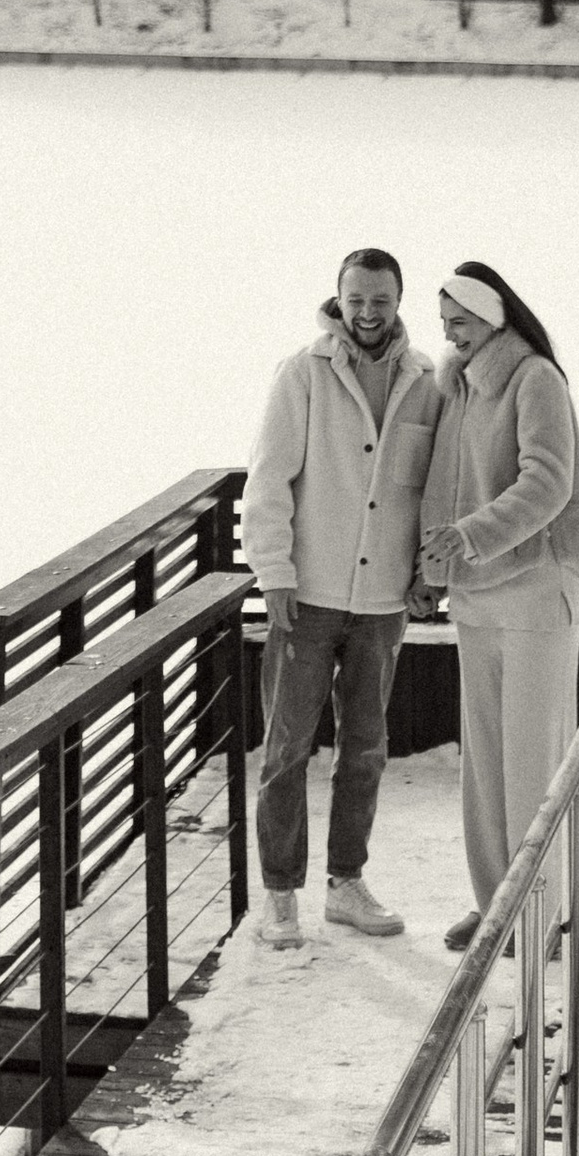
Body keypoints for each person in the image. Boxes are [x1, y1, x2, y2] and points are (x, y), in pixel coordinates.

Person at [241, 247, 444, 947]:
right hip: (309, 593)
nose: (367, 313)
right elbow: (267, 481)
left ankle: (346, 884)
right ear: (338, 298)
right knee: (286, 748)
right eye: (356, 299)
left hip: (384, 599)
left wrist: (430, 569)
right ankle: (279, 895)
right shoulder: (302, 374)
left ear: (398, 301)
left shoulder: (428, 382)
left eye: (380, 301)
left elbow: (437, 489)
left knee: (365, 749)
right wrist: (274, 574)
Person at [417, 263, 579, 953]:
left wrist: (468, 539)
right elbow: (440, 486)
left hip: (534, 587)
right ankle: (497, 906)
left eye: (459, 321)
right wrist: (428, 570)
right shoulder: (457, 388)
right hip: (477, 594)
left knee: (533, 762)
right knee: (486, 762)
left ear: (494, 317)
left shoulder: (535, 381)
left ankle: (543, 916)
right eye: (444, 325)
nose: (450, 335)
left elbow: (548, 484)